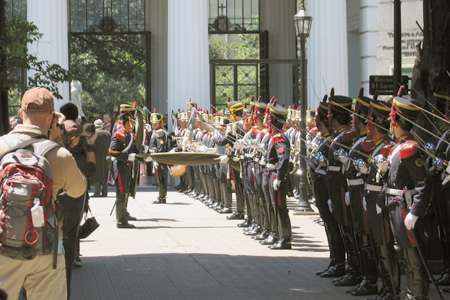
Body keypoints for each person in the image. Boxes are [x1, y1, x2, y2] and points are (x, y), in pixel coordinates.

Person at [0, 87, 86, 300]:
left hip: (3, 245)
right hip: (46, 249)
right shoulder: (59, 154)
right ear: (51, 117)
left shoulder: (1, 146)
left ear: (21, 113)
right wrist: (57, 139)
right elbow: (78, 189)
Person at [377, 93, 431, 300]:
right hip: (394, 204)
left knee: (412, 255)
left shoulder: (409, 148)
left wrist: (416, 211)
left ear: (397, 121)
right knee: (403, 253)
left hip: (404, 206)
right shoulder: (399, 146)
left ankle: (416, 295)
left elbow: (423, 183)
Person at [59, 119, 97, 299]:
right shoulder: (68, 156)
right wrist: (89, 147)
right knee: (65, 252)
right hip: (67, 208)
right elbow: (90, 170)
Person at [109, 104, 139, 228]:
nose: (133, 124)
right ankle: (120, 220)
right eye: (132, 121)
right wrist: (127, 157)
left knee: (125, 191)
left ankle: (123, 215)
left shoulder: (130, 135)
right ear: (128, 122)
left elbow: (134, 150)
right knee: (121, 193)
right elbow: (112, 151)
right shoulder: (119, 134)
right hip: (120, 167)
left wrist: (144, 151)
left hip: (127, 168)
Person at [149, 110, 169, 204]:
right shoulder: (156, 132)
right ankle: (161, 196)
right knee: (159, 178)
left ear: (160, 123)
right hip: (156, 157)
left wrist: (158, 159)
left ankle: (162, 197)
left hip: (160, 158)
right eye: (153, 123)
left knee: (161, 178)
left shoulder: (160, 132)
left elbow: (160, 148)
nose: (154, 124)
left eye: (156, 123)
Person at [91, 119, 111, 197]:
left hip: (96, 157)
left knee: (96, 175)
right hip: (106, 156)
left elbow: (92, 145)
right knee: (105, 175)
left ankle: (97, 192)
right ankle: (105, 192)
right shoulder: (107, 133)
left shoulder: (95, 134)